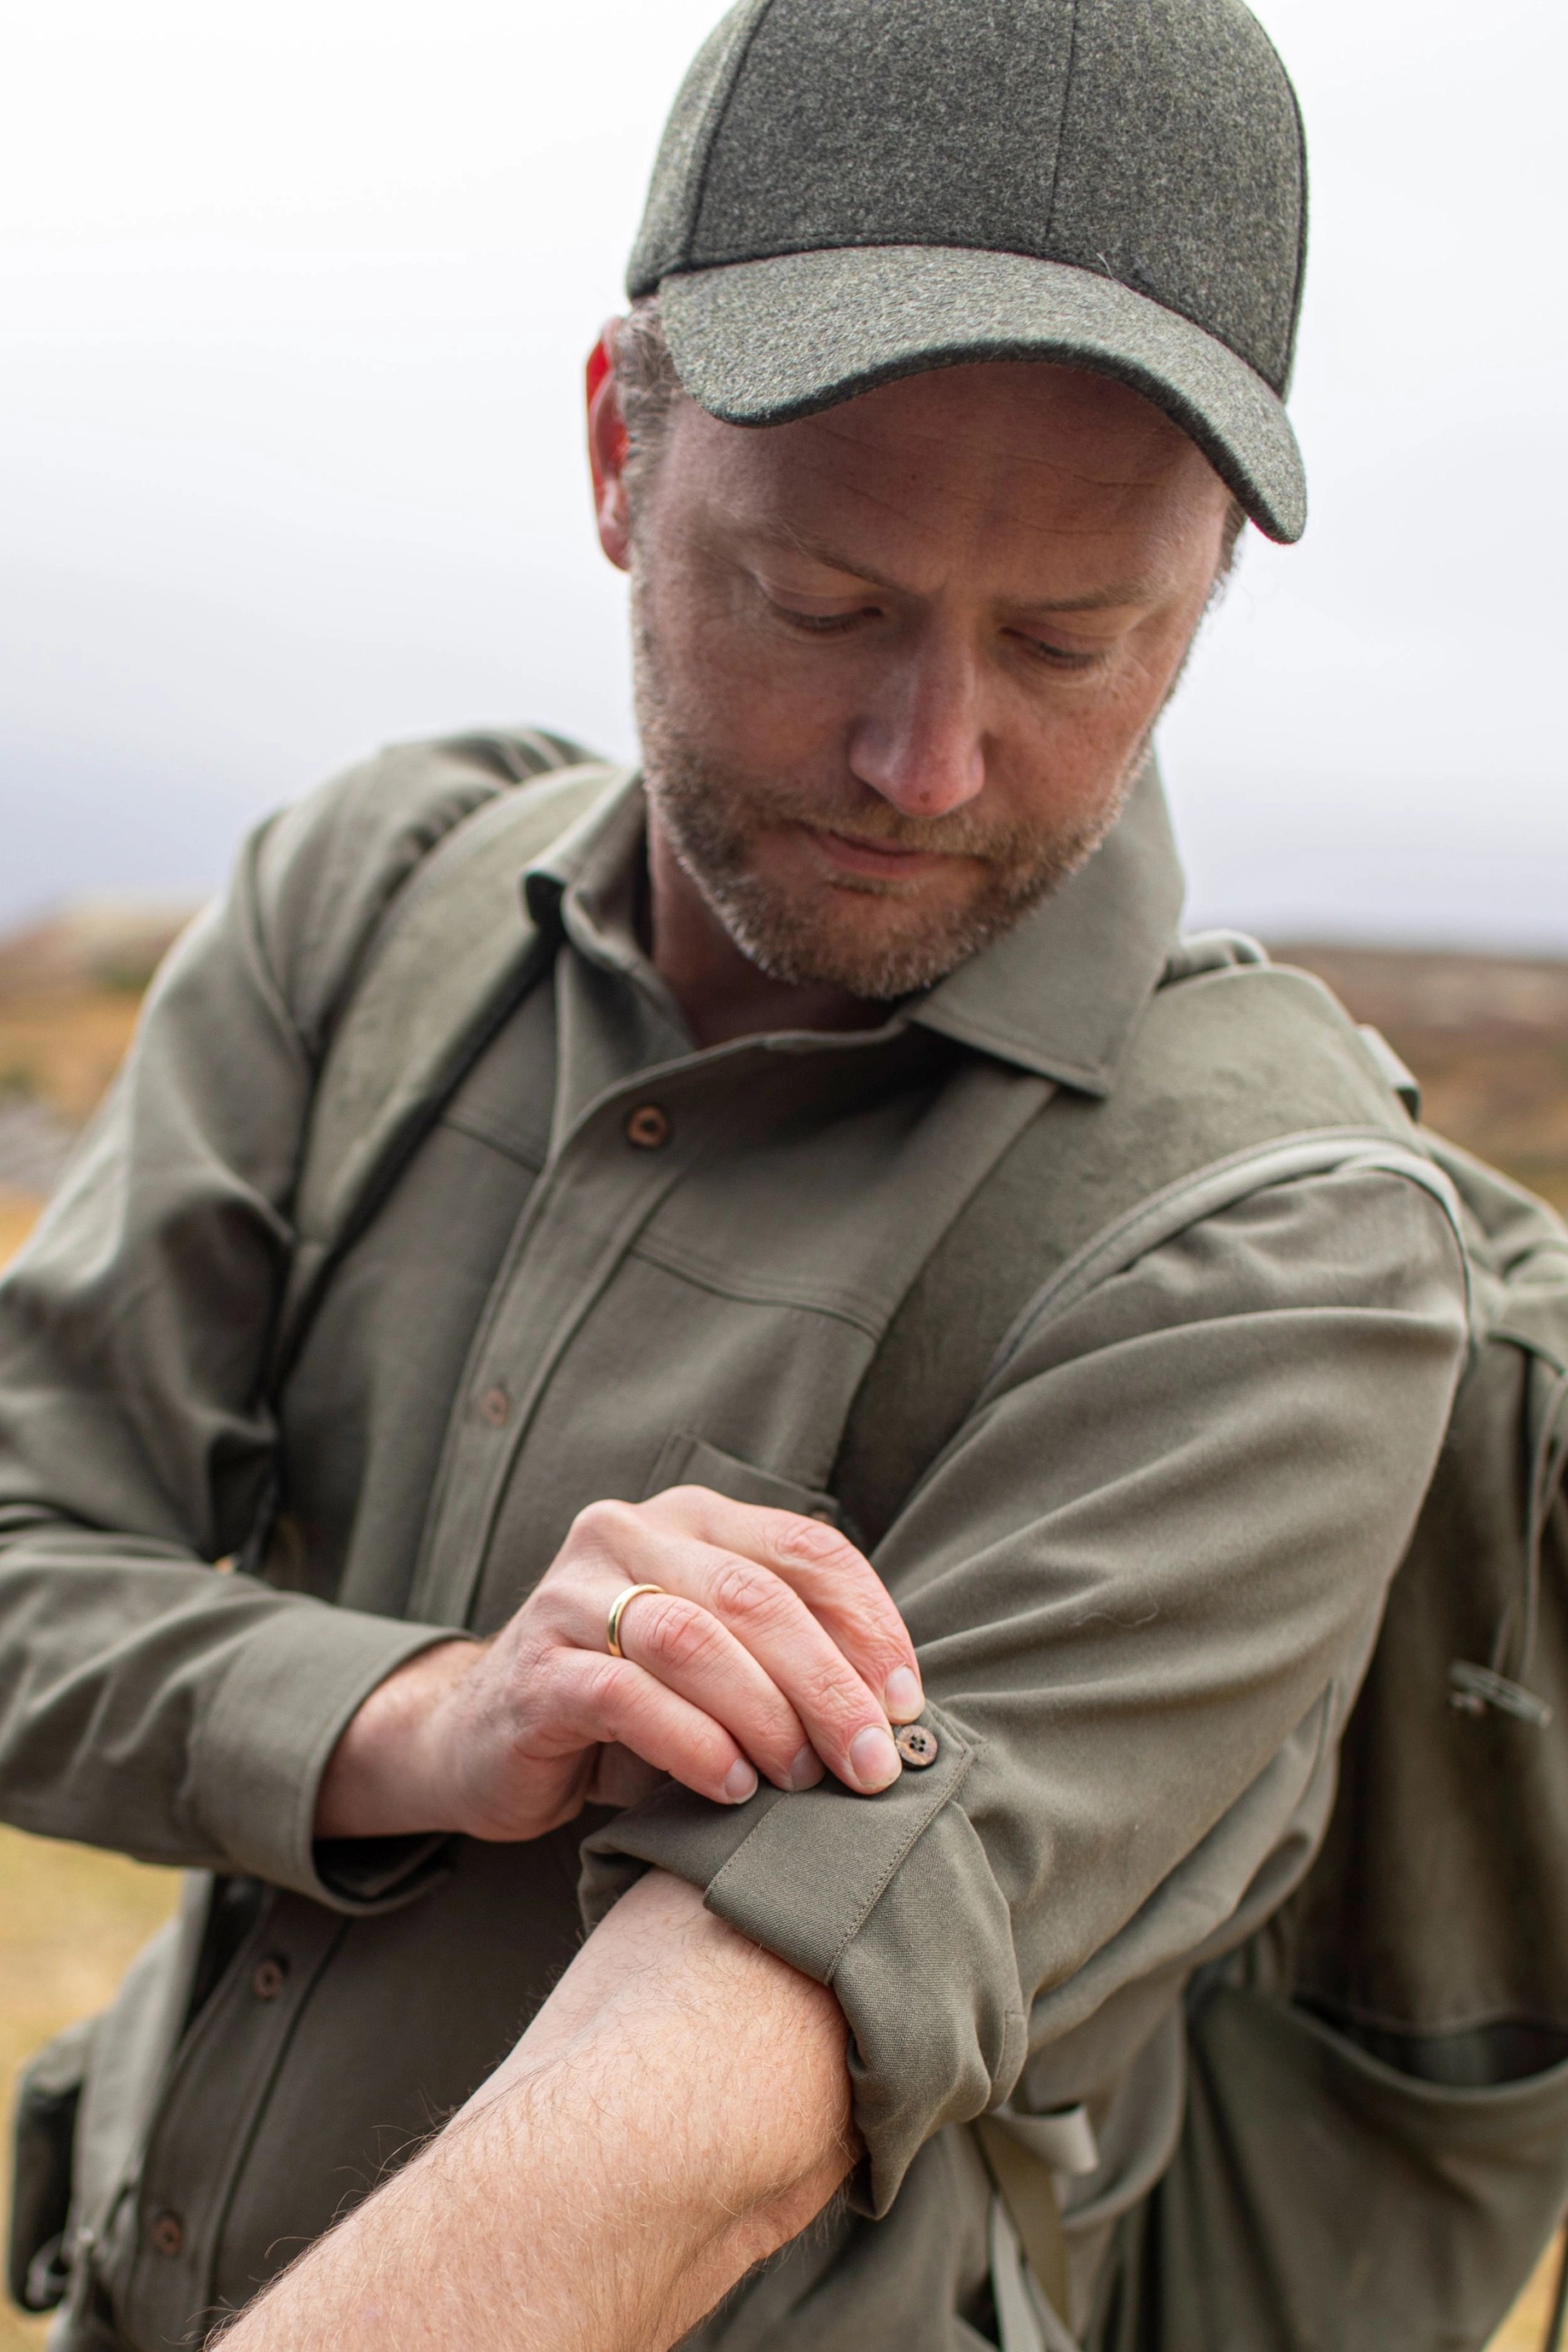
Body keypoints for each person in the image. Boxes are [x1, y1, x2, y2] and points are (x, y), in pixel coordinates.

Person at [0, 3, 1471, 2348]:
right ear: (618, 448)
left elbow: (718, 2093)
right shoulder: (370, 903)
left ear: (1207, 590)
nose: (927, 756)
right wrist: (417, 1716)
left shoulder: (1287, 1248)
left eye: (1075, 642)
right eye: (823, 602)